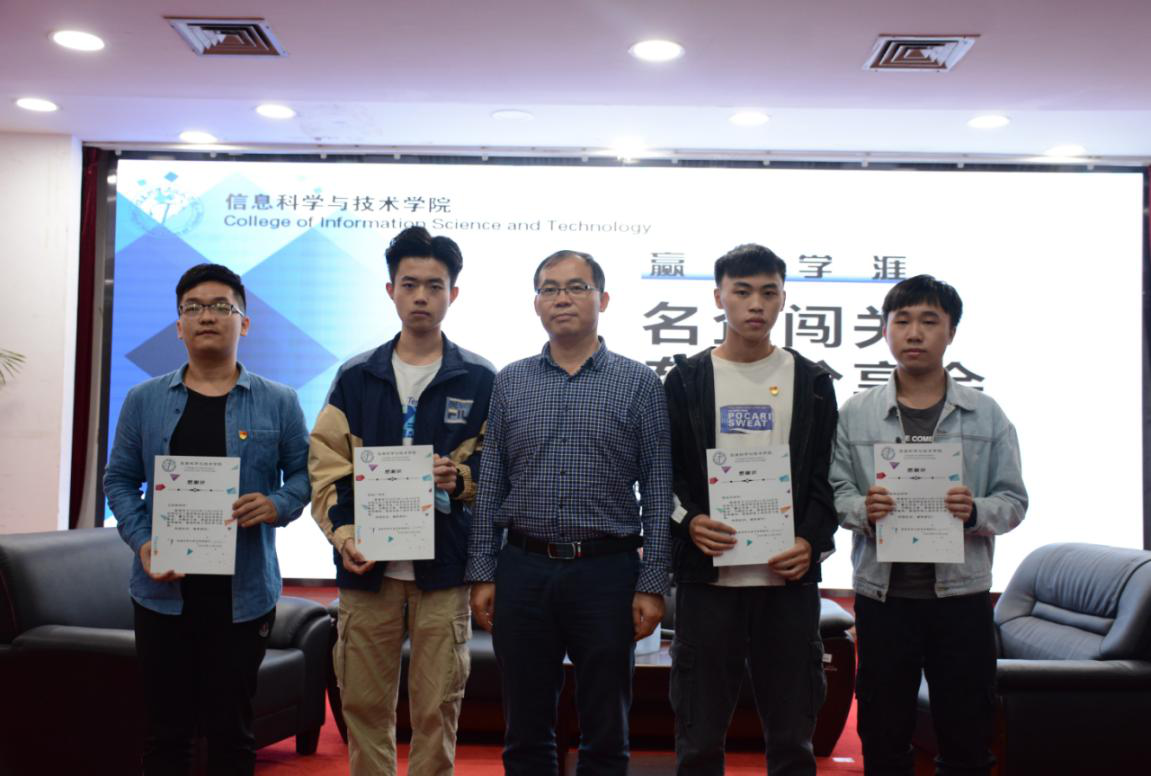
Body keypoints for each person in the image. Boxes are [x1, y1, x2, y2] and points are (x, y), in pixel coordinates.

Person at [466, 250, 672, 776]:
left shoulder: (639, 383)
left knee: (606, 727)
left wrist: (652, 583)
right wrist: (483, 571)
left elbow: (658, 488)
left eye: (577, 287)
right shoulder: (511, 381)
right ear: (536, 303)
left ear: (603, 300)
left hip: (606, 572)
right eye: (550, 288)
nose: (562, 298)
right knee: (525, 728)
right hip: (523, 568)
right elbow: (492, 483)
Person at [104, 263, 310, 775]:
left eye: (222, 306)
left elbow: (306, 476)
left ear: (244, 322)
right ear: (179, 325)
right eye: (193, 308)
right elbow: (119, 481)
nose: (207, 316)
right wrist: (144, 541)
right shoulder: (144, 400)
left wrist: (278, 504)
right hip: (162, 594)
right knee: (165, 734)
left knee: (232, 734)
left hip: (243, 596)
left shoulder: (279, 401)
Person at [309, 226, 494, 776]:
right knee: (363, 703)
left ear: (453, 294)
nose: (421, 297)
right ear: (390, 290)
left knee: (438, 706)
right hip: (369, 568)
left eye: (434, 286)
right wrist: (345, 537)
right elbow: (327, 466)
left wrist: (459, 480)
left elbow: (501, 468)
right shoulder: (356, 376)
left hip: (445, 570)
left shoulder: (480, 378)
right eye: (409, 284)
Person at [829, 275, 1027, 776]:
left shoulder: (985, 415)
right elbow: (836, 494)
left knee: (967, 735)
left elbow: (1013, 502)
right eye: (902, 321)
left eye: (929, 321)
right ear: (885, 331)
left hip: (961, 599)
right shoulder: (857, 413)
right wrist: (863, 509)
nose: (914, 332)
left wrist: (975, 511)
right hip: (884, 598)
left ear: (951, 332)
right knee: (883, 732)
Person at [663, 244, 838, 775]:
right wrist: (690, 522)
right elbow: (665, 475)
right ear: (719, 297)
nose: (755, 304)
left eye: (768, 292)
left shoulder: (812, 382)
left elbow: (828, 478)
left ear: (784, 298)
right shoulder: (686, 380)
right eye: (742, 292)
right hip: (708, 582)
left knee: (793, 744)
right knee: (699, 741)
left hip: (787, 583)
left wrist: (811, 541)